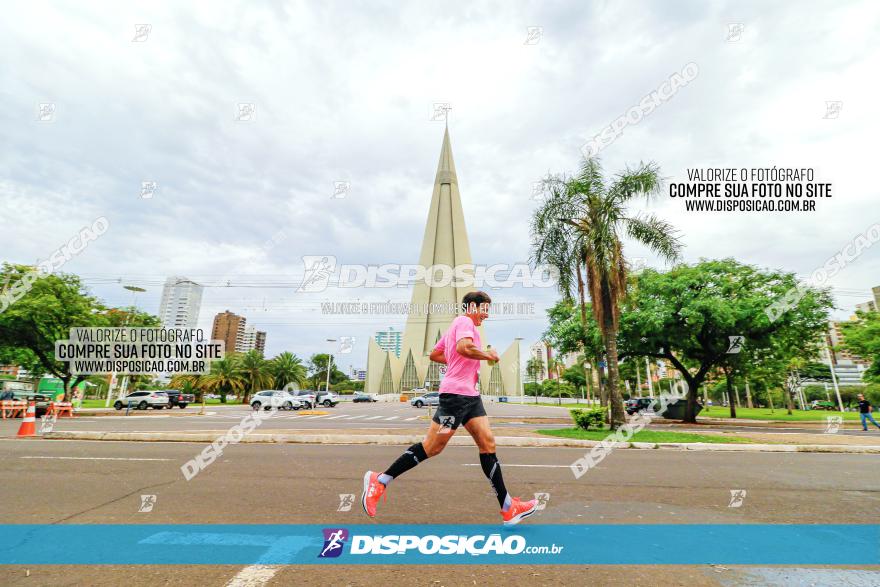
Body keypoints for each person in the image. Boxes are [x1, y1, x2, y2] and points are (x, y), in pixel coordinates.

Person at [361, 291, 539, 525]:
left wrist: (458, 358)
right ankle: (380, 480)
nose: (486, 315)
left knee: (488, 444)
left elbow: (436, 354)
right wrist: (487, 355)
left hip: (471, 397)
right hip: (455, 397)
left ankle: (508, 507)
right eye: (484, 309)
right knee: (433, 447)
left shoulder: (456, 327)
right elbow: (465, 348)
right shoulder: (464, 321)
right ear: (472, 306)